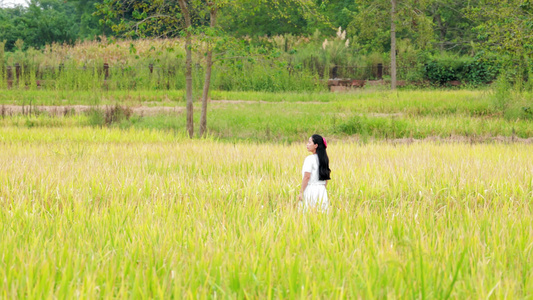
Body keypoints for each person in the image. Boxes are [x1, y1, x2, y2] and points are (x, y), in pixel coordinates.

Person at [298, 134, 331, 212]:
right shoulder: (324, 159)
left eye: (309, 142)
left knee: (308, 215)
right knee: (322, 215)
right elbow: (326, 178)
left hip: (310, 190)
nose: (307, 144)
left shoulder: (309, 159)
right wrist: (322, 189)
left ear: (316, 145)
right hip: (322, 191)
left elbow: (307, 177)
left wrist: (301, 192)